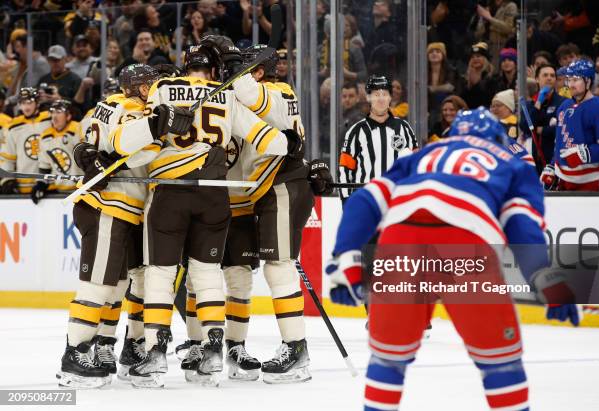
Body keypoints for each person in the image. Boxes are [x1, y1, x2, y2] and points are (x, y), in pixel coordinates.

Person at [326, 107, 579, 411]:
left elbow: (365, 200)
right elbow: (522, 226)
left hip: (401, 242)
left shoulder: (420, 155)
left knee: (388, 360)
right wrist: (545, 278)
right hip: (466, 243)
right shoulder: (513, 163)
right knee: (500, 364)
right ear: (497, 137)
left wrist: (347, 259)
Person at [126, 39, 302, 388]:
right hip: (215, 197)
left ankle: (156, 351)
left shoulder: (163, 87)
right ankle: (213, 350)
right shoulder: (227, 95)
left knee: (161, 272)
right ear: (213, 68)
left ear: (185, 65)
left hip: (171, 193)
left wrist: (122, 158)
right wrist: (292, 145)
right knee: (207, 273)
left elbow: (144, 145)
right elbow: (267, 138)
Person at [218, 42, 324, 383]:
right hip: (251, 193)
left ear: (259, 70)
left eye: (241, 68)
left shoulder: (277, 92)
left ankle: (296, 349)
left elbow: (249, 97)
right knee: (238, 273)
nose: (231, 75)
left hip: (282, 185)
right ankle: (235, 347)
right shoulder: (248, 93)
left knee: (278, 267)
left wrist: (234, 66)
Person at [56, 64, 165, 388]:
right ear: (139, 88)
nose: (153, 89)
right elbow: (145, 150)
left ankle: (101, 348)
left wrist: (90, 156)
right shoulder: (133, 110)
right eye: (150, 85)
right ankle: (75, 355)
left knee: (115, 286)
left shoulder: (104, 105)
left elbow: (85, 143)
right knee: (98, 285)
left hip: (114, 206)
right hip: (109, 205)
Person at [339, 75, 418, 204]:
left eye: (384, 94)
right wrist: (346, 200)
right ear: (368, 97)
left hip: (398, 199)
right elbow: (345, 169)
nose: (381, 99)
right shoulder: (356, 131)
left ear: (390, 97)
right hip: (366, 200)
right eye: (376, 95)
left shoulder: (404, 129)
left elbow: (416, 164)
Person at [541, 59, 599, 192]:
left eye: (575, 80)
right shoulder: (563, 107)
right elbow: (560, 144)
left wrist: (583, 154)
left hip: (593, 181)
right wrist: (552, 167)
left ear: (588, 81)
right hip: (565, 181)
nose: (570, 84)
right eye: (568, 80)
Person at [0, 87, 51, 194]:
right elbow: (7, 157)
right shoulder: (12, 127)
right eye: (22, 103)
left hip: (51, 184)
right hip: (24, 185)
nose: (25, 107)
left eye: (29, 102)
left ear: (37, 103)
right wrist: (7, 179)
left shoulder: (50, 119)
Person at [519, 64, 569, 174]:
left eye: (552, 75)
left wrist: (541, 130)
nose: (549, 78)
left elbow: (564, 129)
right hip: (534, 161)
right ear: (537, 79)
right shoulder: (530, 104)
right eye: (545, 75)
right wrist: (538, 103)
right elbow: (525, 127)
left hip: (555, 160)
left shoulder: (564, 102)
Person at [31, 99, 82, 203]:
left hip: (82, 191)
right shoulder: (45, 136)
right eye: (52, 112)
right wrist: (41, 184)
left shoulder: (79, 130)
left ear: (68, 116)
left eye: (58, 112)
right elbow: (44, 166)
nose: (54, 116)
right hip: (59, 192)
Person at [475, 0, 518, 68]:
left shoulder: (510, 6)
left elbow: (509, 28)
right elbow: (477, 33)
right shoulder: (488, 6)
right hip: (485, 48)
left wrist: (490, 19)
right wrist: (482, 19)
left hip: (501, 49)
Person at [460, 42, 495, 109]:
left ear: (485, 59)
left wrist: (476, 84)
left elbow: (488, 99)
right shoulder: (465, 79)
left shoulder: (492, 78)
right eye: (473, 57)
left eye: (478, 56)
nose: (475, 59)